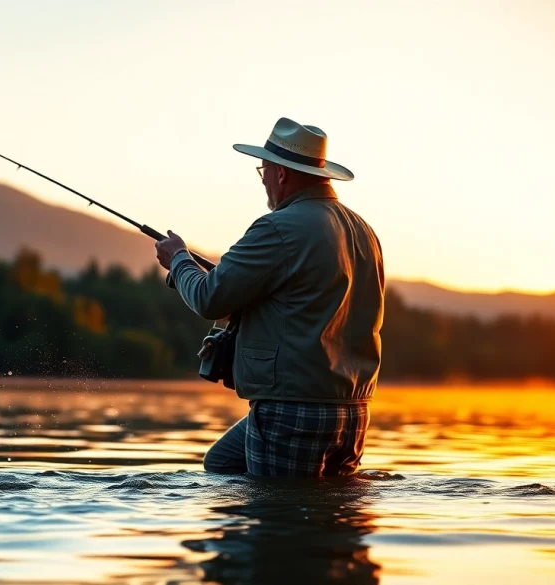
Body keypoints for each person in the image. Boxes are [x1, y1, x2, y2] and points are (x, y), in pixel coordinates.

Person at [154, 117, 384, 477]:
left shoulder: (278, 227)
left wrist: (179, 260)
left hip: (291, 410)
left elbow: (208, 298)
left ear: (281, 174)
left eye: (263, 171)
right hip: (354, 410)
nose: (263, 181)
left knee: (278, 508)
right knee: (223, 463)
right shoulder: (363, 232)